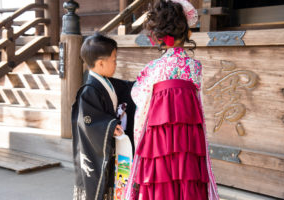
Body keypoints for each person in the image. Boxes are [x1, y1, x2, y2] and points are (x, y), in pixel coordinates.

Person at [125, 0, 219, 199]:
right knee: (188, 179)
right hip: (188, 140)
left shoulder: (152, 68)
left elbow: (137, 95)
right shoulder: (195, 68)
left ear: (159, 36)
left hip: (159, 140)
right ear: (187, 33)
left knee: (160, 182)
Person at [71, 33, 135, 200]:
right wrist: (110, 125)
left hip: (111, 147)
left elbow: (128, 88)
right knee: (99, 186)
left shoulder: (107, 83)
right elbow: (89, 121)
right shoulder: (89, 90)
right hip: (97, 150)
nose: (116, 63)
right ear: (100, 63)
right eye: (114, 60)